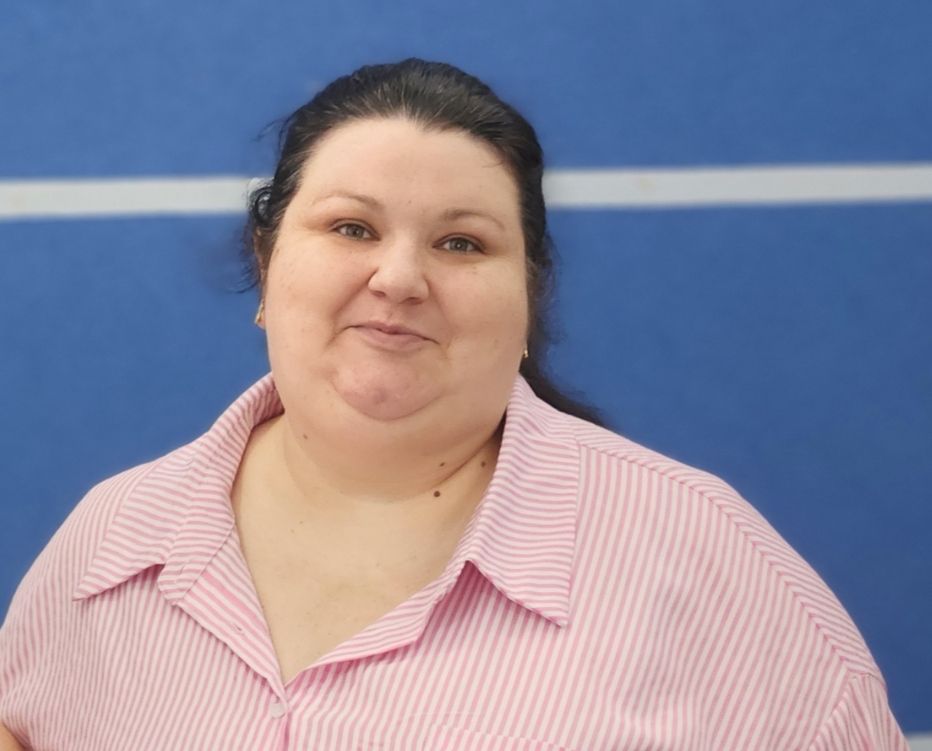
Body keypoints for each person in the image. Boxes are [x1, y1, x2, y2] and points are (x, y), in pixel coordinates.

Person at [0, 59, 908, 750]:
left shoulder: (702, 560)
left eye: (462, 243)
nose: (398, 277)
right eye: (351, 227)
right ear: (267, 263)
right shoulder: (110, 547)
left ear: (529, 299)